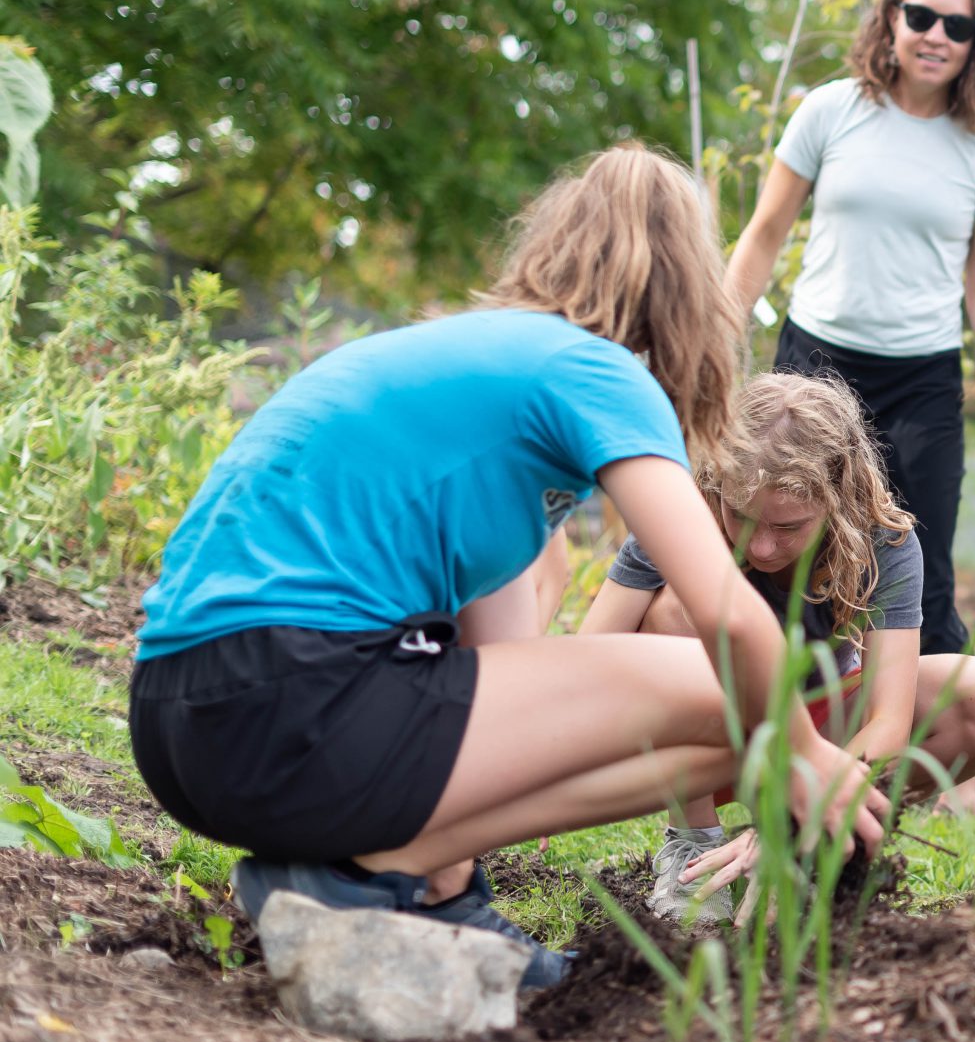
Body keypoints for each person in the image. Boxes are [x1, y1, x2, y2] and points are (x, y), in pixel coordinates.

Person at [126, 147, 883, 988]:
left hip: (184, 725)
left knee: (733, 706)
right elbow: (731, 614)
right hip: (286, 701)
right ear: (689, 289)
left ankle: (430, 892)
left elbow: (493, 675)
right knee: (732, 693)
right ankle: (356, 875)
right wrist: (808, 752)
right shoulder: (591, 368)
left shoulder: (472, 366)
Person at [578, 372, 975, 921]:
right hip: (699, 742)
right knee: (675, 609)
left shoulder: (882, 539)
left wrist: (798, 826)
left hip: (821, 732)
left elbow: (888, 721)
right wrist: (542, 771)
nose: (763, 546)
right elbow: (589, 658)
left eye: (790, 526)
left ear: (839, 498)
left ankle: (827, 835)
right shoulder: (679, 515)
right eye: (742, 517)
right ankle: (692, 844)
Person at [725, 0, 975, 663]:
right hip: (812, 367)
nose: (936, 35)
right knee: (785, 555)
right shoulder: (831, 109)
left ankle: (943, 763)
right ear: (893, 18)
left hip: (921, 380)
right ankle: (780, 745)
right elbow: (764, 234)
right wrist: (711, 330)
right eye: (921, 16)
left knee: (923, 567)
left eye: (958, 25)